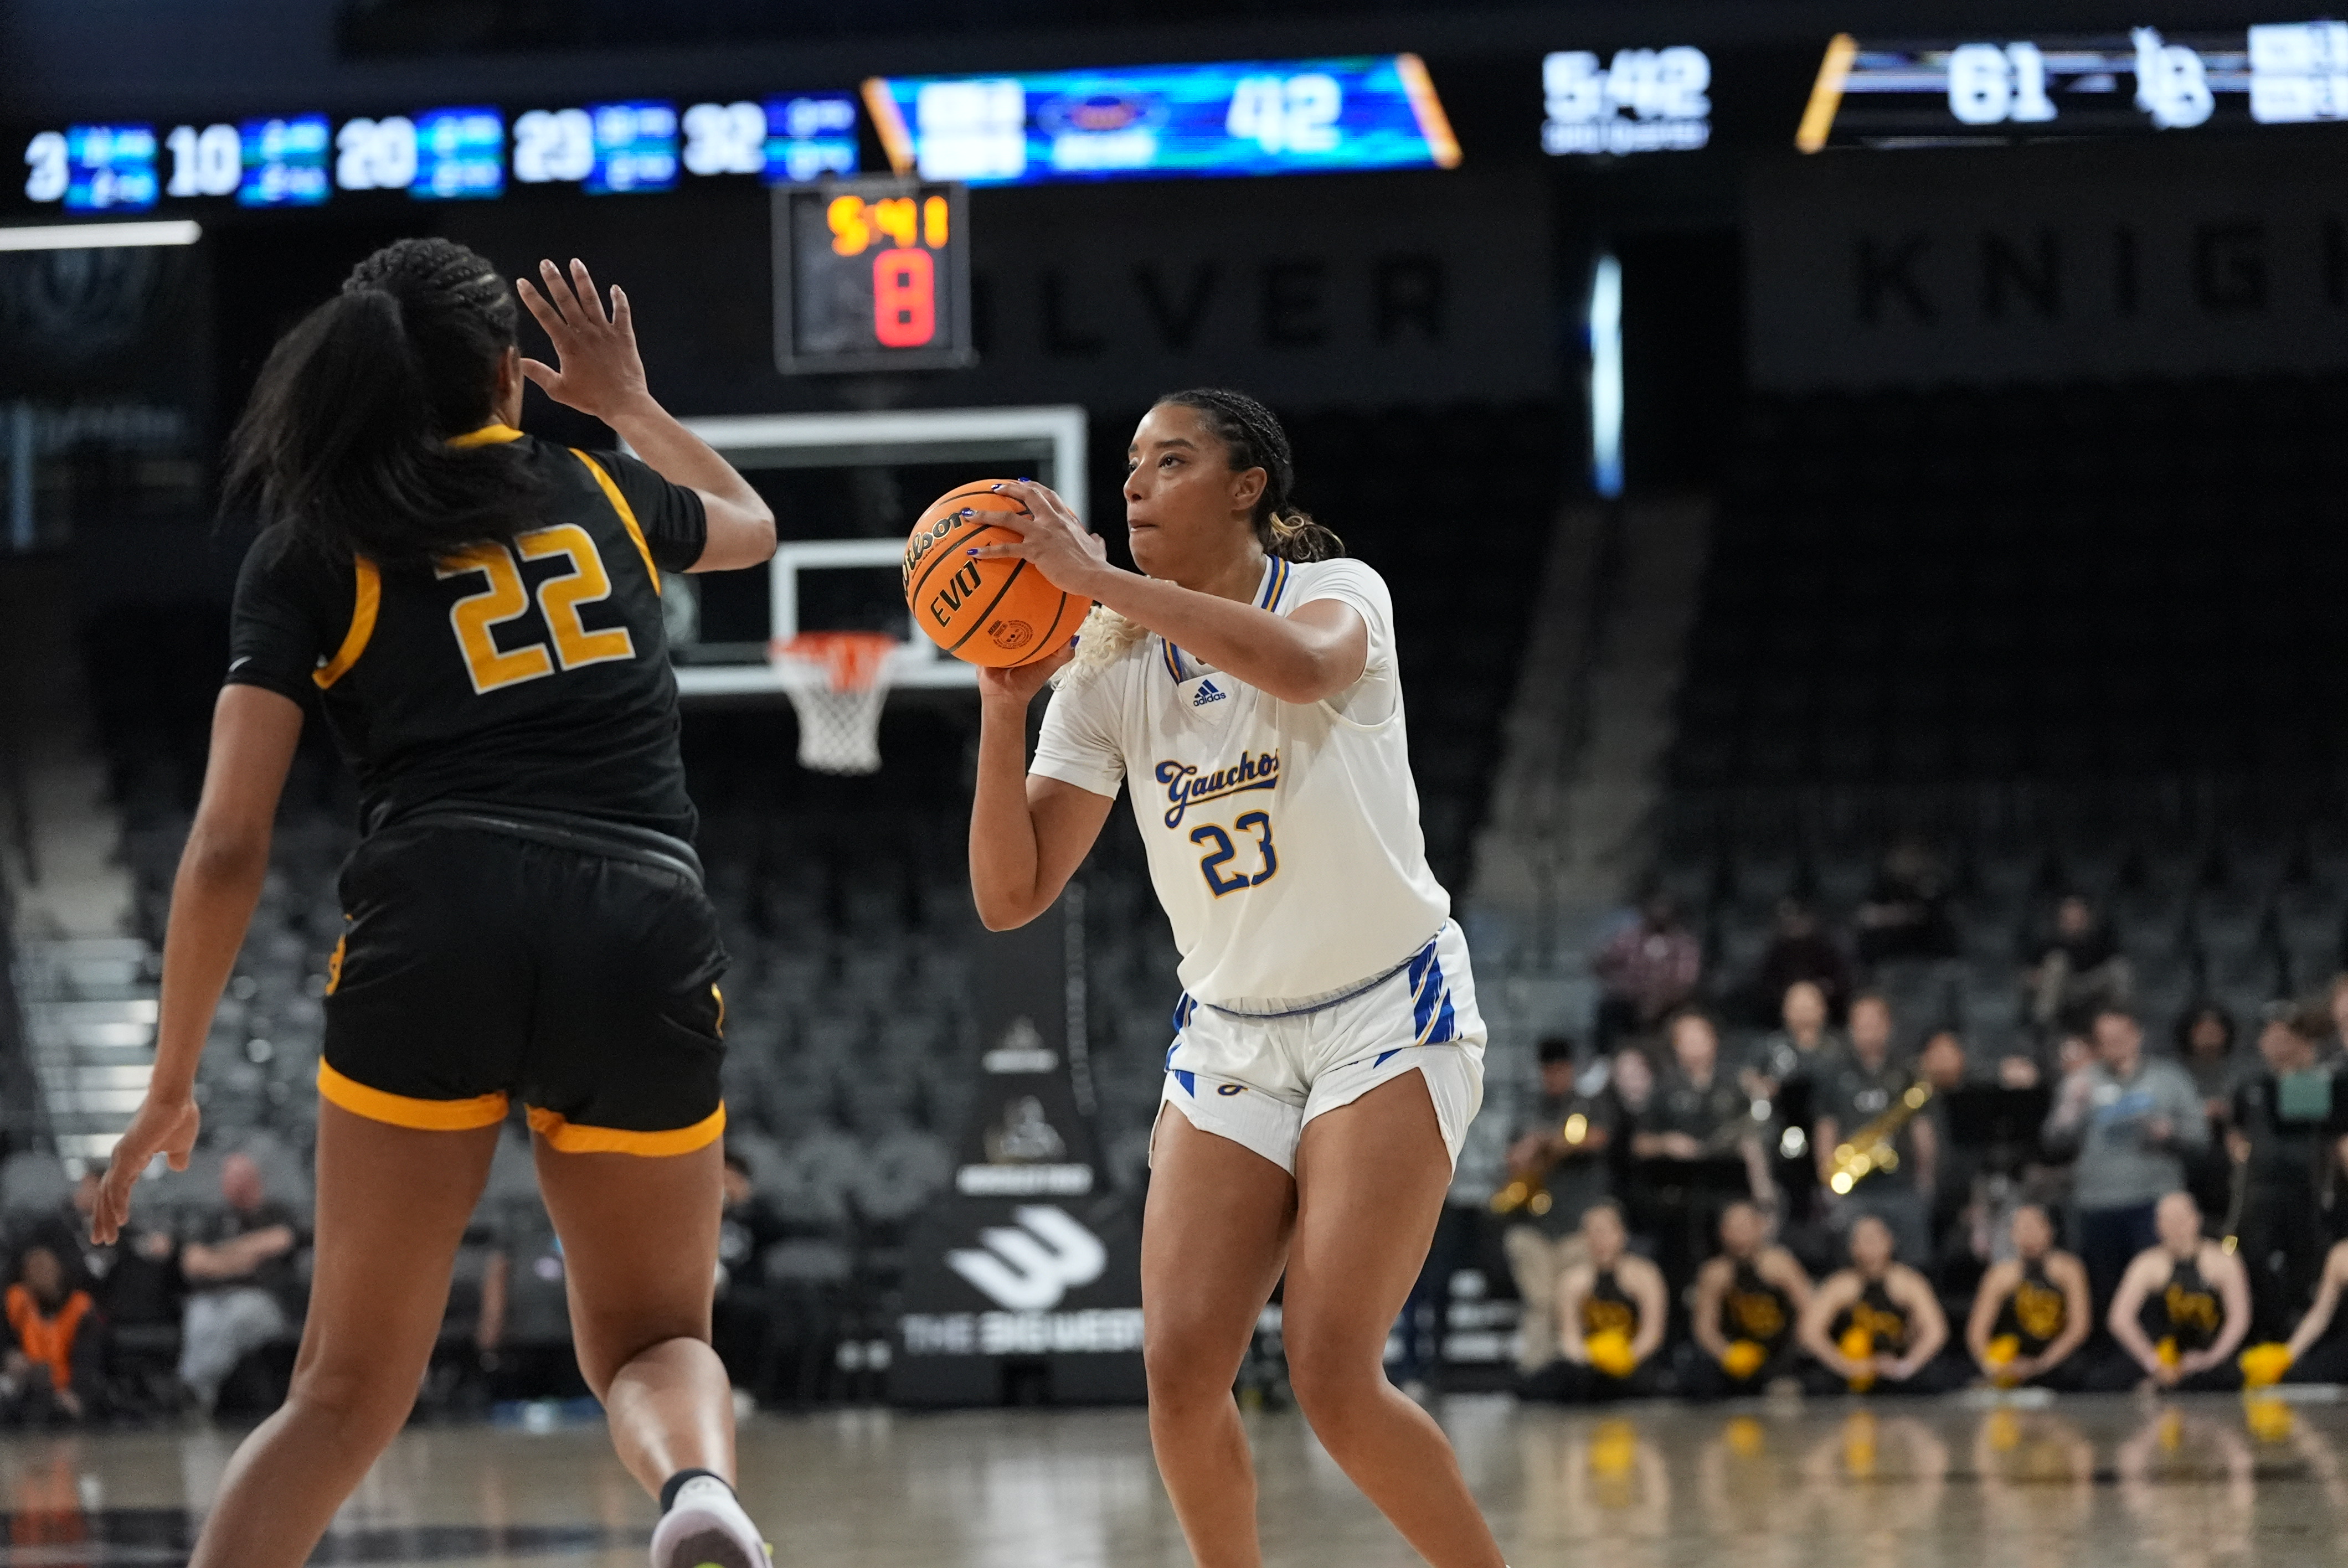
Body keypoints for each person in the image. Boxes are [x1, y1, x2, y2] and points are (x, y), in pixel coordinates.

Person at [87, 241, 780, 1568]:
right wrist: (628, 406)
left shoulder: (313, 546)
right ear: (510, 373)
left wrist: (172, 1080)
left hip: (437, 922)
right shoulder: (600, 485)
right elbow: (750, 523)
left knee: (343, 1392)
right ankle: (696, 1488)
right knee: (653, 1337)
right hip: (637, 923)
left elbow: (227, 842)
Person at [964, 389, 1507, 1568]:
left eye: (1170, 461)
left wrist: (1099, 584)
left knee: (1331, 1371)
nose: (1133, 486)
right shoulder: (1105, 673)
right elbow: (1012, 893)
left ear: (1247, 486)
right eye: (1129, 465)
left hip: (1386, 1009)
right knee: (1177, 1368)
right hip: (1231, 1033)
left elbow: (1304, 672)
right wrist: (1003, 708)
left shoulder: (1334, 592)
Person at [2041, 1007, 2208, 1312]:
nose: (2114, 1045)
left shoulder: (2169, 1079)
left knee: (2159, 1292)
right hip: (2097, 1203)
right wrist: (2071, 1111)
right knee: (2103, 1292)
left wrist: (2170, 1133)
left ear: (2137, 1036)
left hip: (2154, 1202)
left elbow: (2201, 1138)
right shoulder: (2081, 1082)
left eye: (2120, 1037)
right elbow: (2052, 1142)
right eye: (2105, 1039)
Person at [1631, 1009, 1775, 1301]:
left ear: (1714, 1040)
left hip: (1729, 1191)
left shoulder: (1735, 1083)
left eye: (1700, 1036)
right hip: (1680, 1196)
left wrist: (1763, 1192)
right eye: (1687, 1038)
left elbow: (1754, 1137)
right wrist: (1667, 1143)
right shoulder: (1664, 1087)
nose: (1694, 1045)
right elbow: (1640, 1143)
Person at [1498, 1036, 1616, 1375]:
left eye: (1561, 1070)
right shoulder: (1531, 1108)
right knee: (1541, 1301)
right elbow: (1512, 1160)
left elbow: (1600, 1138)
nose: (1555, 1077)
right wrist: (1530, 1149)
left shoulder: (1588, 1104)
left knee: (1573, 1298)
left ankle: (1574, 1367)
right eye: (1549, 1070)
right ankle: (1536, 1371)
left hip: (1577, 1224)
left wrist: (1550, 1142)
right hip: (1535, 1225)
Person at [2227, 1003, 2337, 1339]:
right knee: (2257, 1262)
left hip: (2307, 1190)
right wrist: (2240, 1154)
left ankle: (2305, 1337)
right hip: (2260, 1192)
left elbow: (2315, 1122)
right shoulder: (2250, 1085)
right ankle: (2263, 1334)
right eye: (2271, 1036)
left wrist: (2299, 1068)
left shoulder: (2317, 1080)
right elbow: (2236, 1129)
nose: (2278, 1044)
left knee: (2307, 1265)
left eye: (2286, 1036)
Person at [1813, 993, 1935, 1267]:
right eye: (1861, 1024)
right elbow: (1826, 1129)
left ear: (1888, 1026)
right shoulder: (1834, 1072)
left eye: (1873, 1023)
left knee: (1915, 1259)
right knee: (1845, 1258)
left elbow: (1922, 1129)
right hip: (1853, 1190)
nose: (1867, 1031)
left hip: (1900, 1186)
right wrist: (1828, 1180)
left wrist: (1925, 1180)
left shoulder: (1908, 1072)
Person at [177, 1152, 302, 1414]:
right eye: (228, 1178)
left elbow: (279, 1241)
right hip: (213, 1298)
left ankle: (195, 1387)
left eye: (238, 1178)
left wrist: (218, 1257)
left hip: (263, 1301)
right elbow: (193, 1262)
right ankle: (195, 1390)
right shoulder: (214, 1220)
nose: (231, 1184)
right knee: (201, 1321)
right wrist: (242, 1256)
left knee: (236, 1319)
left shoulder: (276, 1213)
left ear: (254, 1181)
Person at [2088, 1190, 2249, 1393]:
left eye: (2180, 1219)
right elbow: (2119, 1319)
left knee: (2227, 1378)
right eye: (2167, 1221)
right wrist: (2153, 1362)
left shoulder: (2224, 1262)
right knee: (2101, 1381)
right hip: (2159, 1356)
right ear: (2157, 1226)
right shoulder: (2146, 1264)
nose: (2174, 1228)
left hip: (2211, 1356)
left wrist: (2211, 1358)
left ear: (2196, 1220)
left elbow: (2239, 1319)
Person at [1522, 1203, 1669, 1402]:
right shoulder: (1572, 1281)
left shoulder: (1645, 1275)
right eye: (1592, 1233)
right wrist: (1592, 1359)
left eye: (1606, 1232)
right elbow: (1569, 1337)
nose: (1600, 1240)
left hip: (1633, 1360)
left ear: (1622, 1234)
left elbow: (1653, 1333)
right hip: (1590, 1364)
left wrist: (1626, 1358)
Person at [1797, 1214, 1960, 1395]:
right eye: (1863, 1240)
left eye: (1875, 1239)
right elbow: (1810, 1332)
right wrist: (1845, 1366)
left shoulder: (1909, 1283)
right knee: (1815, 1383)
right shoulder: (1841, 1285)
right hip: (1851, 1369)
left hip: (1896, 1369)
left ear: (1889, 1242)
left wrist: (1906, 1366)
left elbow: (1936, 1332)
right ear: (1852, 1248)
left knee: (1938, 1379)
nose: (1870, 1247)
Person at [1682, 1199, 1812, 1398]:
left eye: (1744, 1228)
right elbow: (1704, 1329)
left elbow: (1811, 1312)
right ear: (1722, 1233)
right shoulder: (1715, 1274)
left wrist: (1792, 1355)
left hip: (1780, 1359)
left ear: (1759, 1228)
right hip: (1736, 1359)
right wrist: (1727, 1353)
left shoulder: (1781, 1266)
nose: (1739, 1236)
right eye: (1732, 1229)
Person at [1964, 1205, 2092, 1390]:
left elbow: (2079, 1327)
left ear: (2049, 1231)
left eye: (2035, 1227)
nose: (2029, 1235)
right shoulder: (2000, 1276)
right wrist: (1993, 1365)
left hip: (2057, 1363)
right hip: (2010, 1362)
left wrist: (2040, 1365)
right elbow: (1977, 1333)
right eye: (2022, 1228)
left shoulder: (2069, 1270)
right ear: (2012, 1235)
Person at [1591, 893, 1702, 1051]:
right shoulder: (1630, 939)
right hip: (1629, 1003)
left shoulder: (1683, 943)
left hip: (1669, 1007)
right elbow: (1601, 964)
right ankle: (1606, 1056)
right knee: (1609, 1009)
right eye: (1655, 908)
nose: (1659, 913)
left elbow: (1686, 981)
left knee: (1688, 1016)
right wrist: (1628, 990)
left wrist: (1659, 998)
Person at [2, 1245, 99, 1425]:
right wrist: (8, 1358)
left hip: (67, 1389)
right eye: (34, 1268)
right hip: (26, 1384)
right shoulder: (16, 1302)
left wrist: (76, 1393)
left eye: (45, 1268)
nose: (40, 1274)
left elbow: (88, 1359)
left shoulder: (80, 1307)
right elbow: (6, 1341)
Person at [2025, 893, 2131, 1035]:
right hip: (2062, 990)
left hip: (2093, 987)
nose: (2073, 921)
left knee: (2119, 968)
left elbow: (2113, 964)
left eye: (2077, 916)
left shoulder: (2101, 939)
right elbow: (2030, 973)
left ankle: (2121, 1022)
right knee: (2057, 962)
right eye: (2068, 916)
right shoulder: (2048, 942)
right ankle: (2041, 1029)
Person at [1739, 898, 1853, 1027]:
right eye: (1792, 919)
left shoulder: (1827, 950)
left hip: (1832, 1020)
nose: (1797, 924)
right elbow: (1764, 988)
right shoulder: (1776, 952)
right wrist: (1789, 995)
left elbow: (1841, 984)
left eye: (1801, 918)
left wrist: (1819, 991)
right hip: (1775, 1022)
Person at [1854, 838, 1956, 964]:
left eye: (1915, 856)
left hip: (1927, 959)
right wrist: (1895, 915)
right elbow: (1866, 916)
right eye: (1906, 856)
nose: (1910, 862)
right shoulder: (1883, 886)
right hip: (1887, 960)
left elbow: (1930, 917)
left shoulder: (1932, 887)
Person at [2280, 1236, 2348, 1384]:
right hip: (2343, 1350)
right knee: (2299, 1376)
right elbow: (2320, 1315)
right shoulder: (2340, 1255)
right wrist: (2287, 1355)